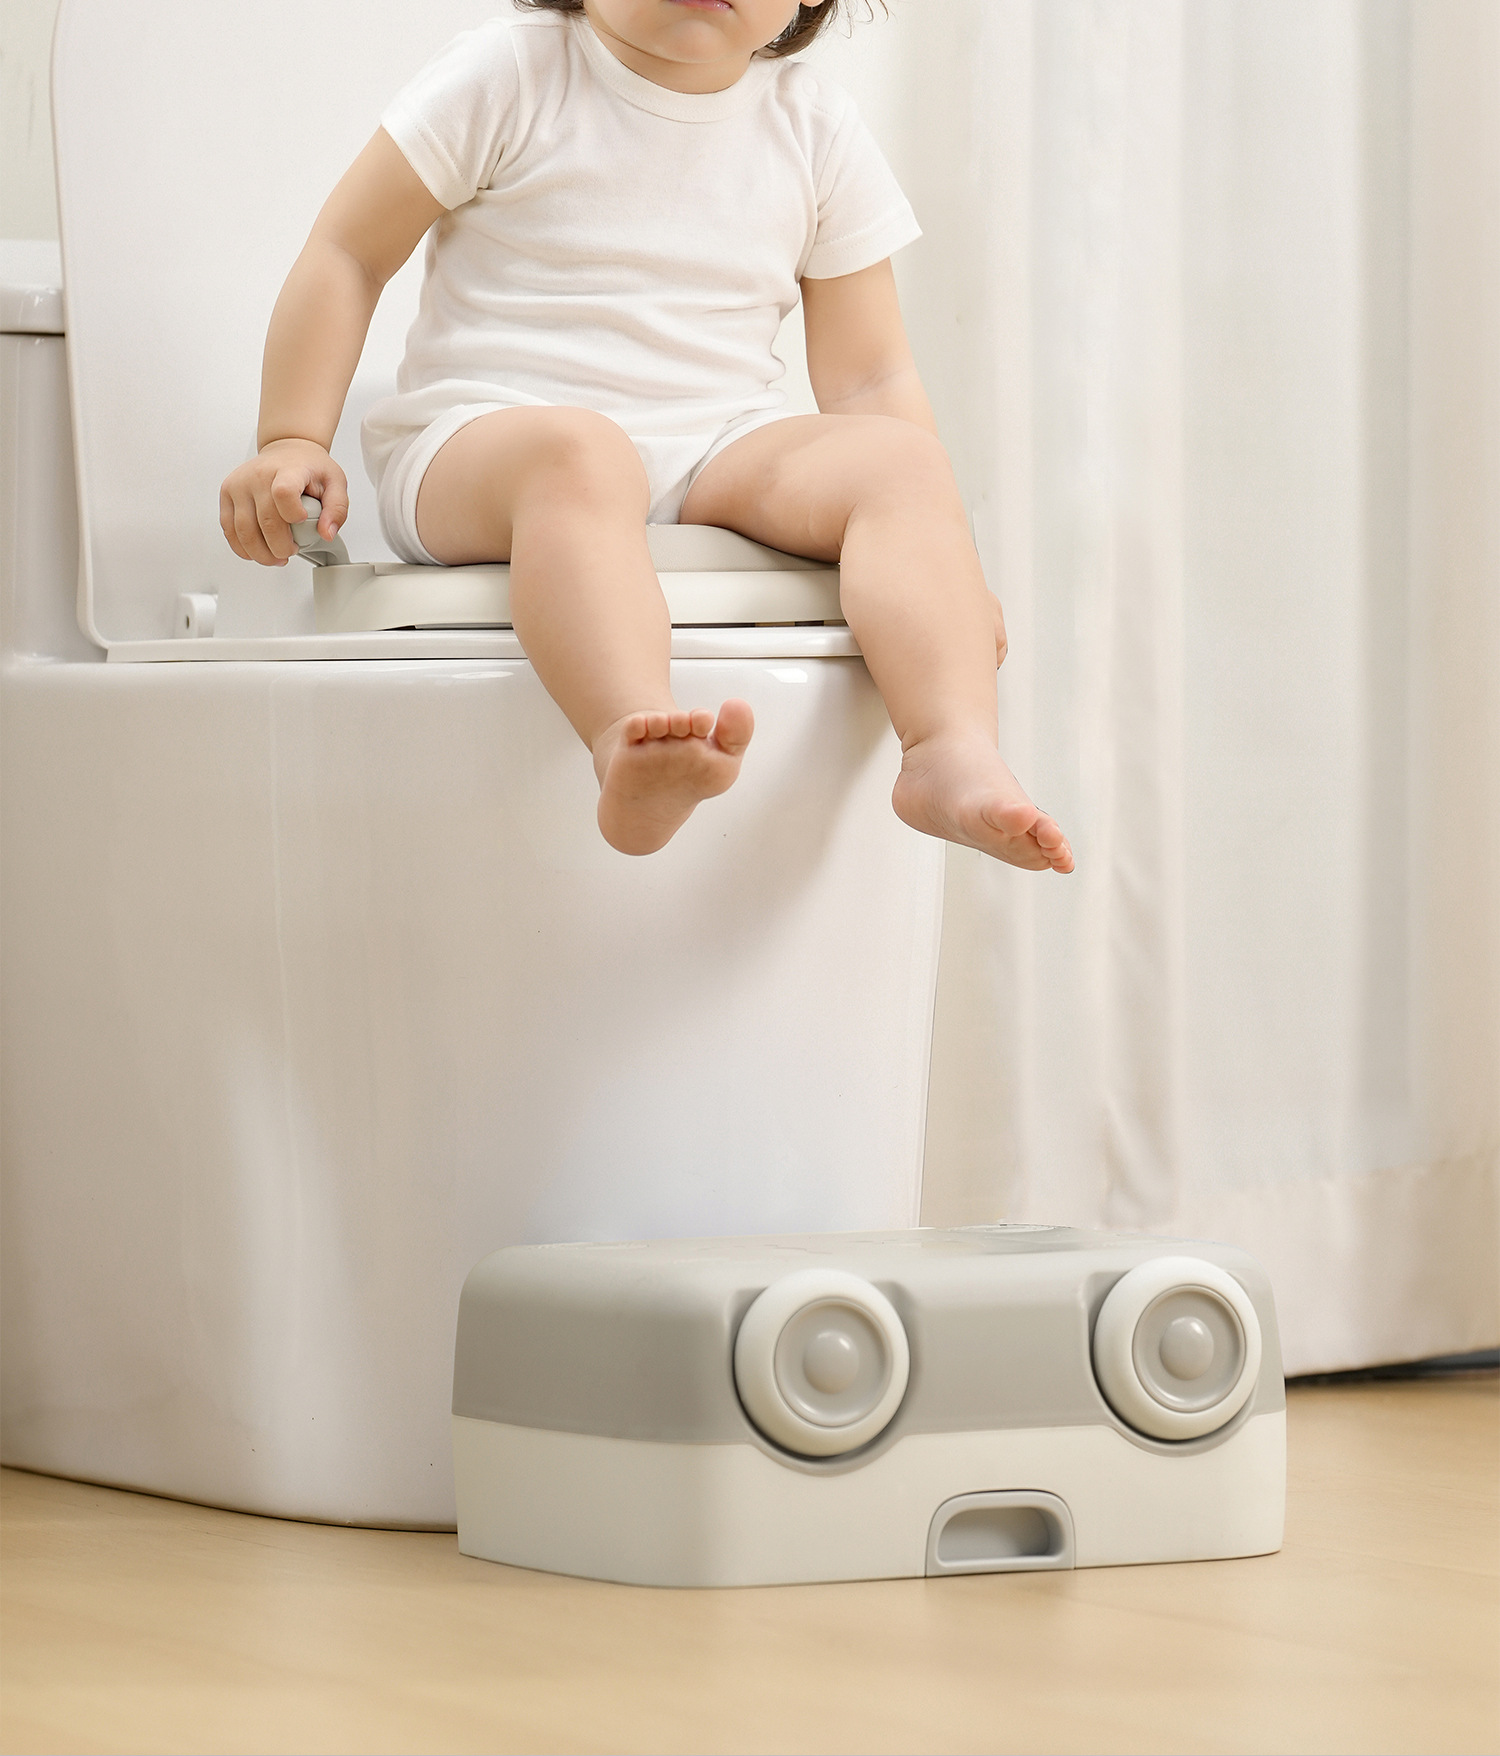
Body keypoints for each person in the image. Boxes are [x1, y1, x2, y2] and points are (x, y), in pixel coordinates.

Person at [219, 0, 1074, 869]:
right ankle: (631, 734)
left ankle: (948, 745)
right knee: (584, 453)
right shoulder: (512, 74)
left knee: (904, 463)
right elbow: (349, 253)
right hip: (487, 440)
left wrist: (941, 568)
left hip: (713, 445)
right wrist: (292, 435)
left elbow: (870, 379)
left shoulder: (814, 125)